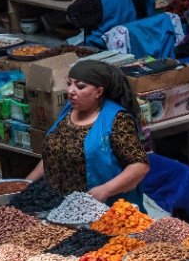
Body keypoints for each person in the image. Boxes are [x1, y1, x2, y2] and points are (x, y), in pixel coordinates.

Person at [24, 60, 149, 204]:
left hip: (104, 210)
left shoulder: (117, 119)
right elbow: (54, 152)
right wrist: (26, 183)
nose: (70, 91)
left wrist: (105, 190)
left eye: (80, 86)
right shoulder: (69, 110)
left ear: (99, 91)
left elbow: (139, 166)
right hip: (57, 205)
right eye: (69, 83)